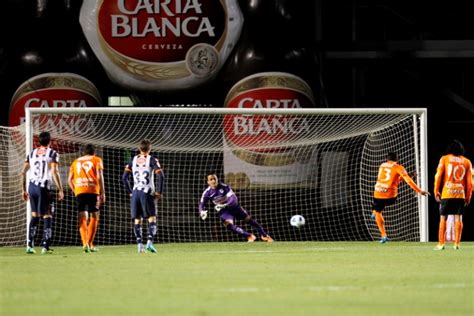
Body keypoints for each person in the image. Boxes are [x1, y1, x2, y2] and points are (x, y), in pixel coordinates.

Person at [371, 152, 430, 243]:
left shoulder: (382, 165)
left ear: (387, 159)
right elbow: (408, 181)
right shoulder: (398, 167)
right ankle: (375, 212)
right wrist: (419, 191)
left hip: (378, 193)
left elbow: (392, 178)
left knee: (378, 211)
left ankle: (383, 235)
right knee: (379, 207)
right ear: (397, 159)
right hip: (390, 197)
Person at [21, 131, 64, 254]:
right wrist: (60, 189)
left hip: (32, 187)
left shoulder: (31, 153)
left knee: (34, 216)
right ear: (50, 141)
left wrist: (23, 189)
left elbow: (23, 172)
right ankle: (45, 246)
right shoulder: (53, 153)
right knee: (47, 215)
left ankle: (29, 245)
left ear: (38, 141)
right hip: (43, 188)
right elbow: (55, 172)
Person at [198, 173, 274, 242]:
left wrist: (225, 204)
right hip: (224, 211)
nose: (213, 181)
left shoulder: (224, 187)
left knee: (250, 220)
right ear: (208, 182)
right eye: (211, 179)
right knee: (228, 225)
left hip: (234, 207)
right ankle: (249, 236)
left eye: (215, 178)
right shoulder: (207, 192)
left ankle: (264, 236)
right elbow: (201, 203)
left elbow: (233, 199)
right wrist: (201, 211)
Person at [122, 139, 164, 253]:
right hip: (147, 192)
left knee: (137, 219)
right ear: (150, 149)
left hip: (135, 192)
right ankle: (149, 242)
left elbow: (124, 178)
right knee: (152, 218)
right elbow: (161, 176)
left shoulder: (132, 160)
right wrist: (159, 192)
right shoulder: (152, 160)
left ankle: (139, 245)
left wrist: (130, 192)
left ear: (139, 149)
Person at [433, 140, 472, 250]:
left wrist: (436, 191)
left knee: (443, 218)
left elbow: (438, 176)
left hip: (447, 193)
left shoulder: (444, 159)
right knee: (458, 218)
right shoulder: (467, 162)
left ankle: (441, 244)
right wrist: (468, 196)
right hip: (460, 194)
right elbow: (470, 182)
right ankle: (457, 244)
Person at [68, 144, 105, 253]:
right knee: (94, 215)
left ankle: (85, 244)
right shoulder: (97, 160)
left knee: (82, 216)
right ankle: (90, 243)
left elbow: (70, 180)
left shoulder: (75, 162)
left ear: (84, 152)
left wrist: (76, 190)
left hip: (80, 191)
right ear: (94, 152)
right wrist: (102, 192)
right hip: (93, 190)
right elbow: (99, 176)